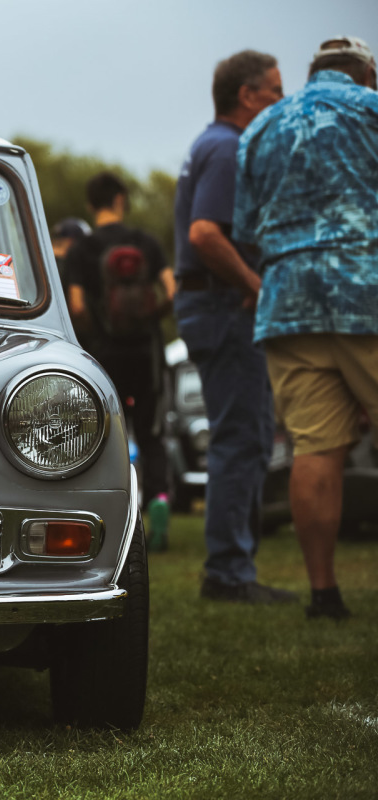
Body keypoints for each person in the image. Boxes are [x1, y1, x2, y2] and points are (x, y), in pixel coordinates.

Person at [235, 36, 378, 620]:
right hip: (364, 288)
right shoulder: (371, 109)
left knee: (315, 448)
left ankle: (324, 593)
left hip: (288, 301)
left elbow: (244, 228)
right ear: (365, 73)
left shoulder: (260, 128)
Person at [172, 50, 291, 604]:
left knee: (245, 434)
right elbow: (203, 234)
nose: (281, 102)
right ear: (247, 96)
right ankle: (228, 573)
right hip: (223, 309)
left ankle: (235, 566)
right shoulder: (227, 146)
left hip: (213, 308)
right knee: (241, 439)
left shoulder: (209, 143)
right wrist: (254, 283)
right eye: (274, 91)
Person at [65, 172, 174, 549]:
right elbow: (172, 290)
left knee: (105, 436)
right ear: (121, 199)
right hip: (146, 353)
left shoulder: (83, 250)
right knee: (152, 434)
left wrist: (98, 334)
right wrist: (148, 321)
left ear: (91, 205)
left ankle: (111, 517)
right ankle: (159, 500)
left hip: (104, 356)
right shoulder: (145, 242)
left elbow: (76, 305)